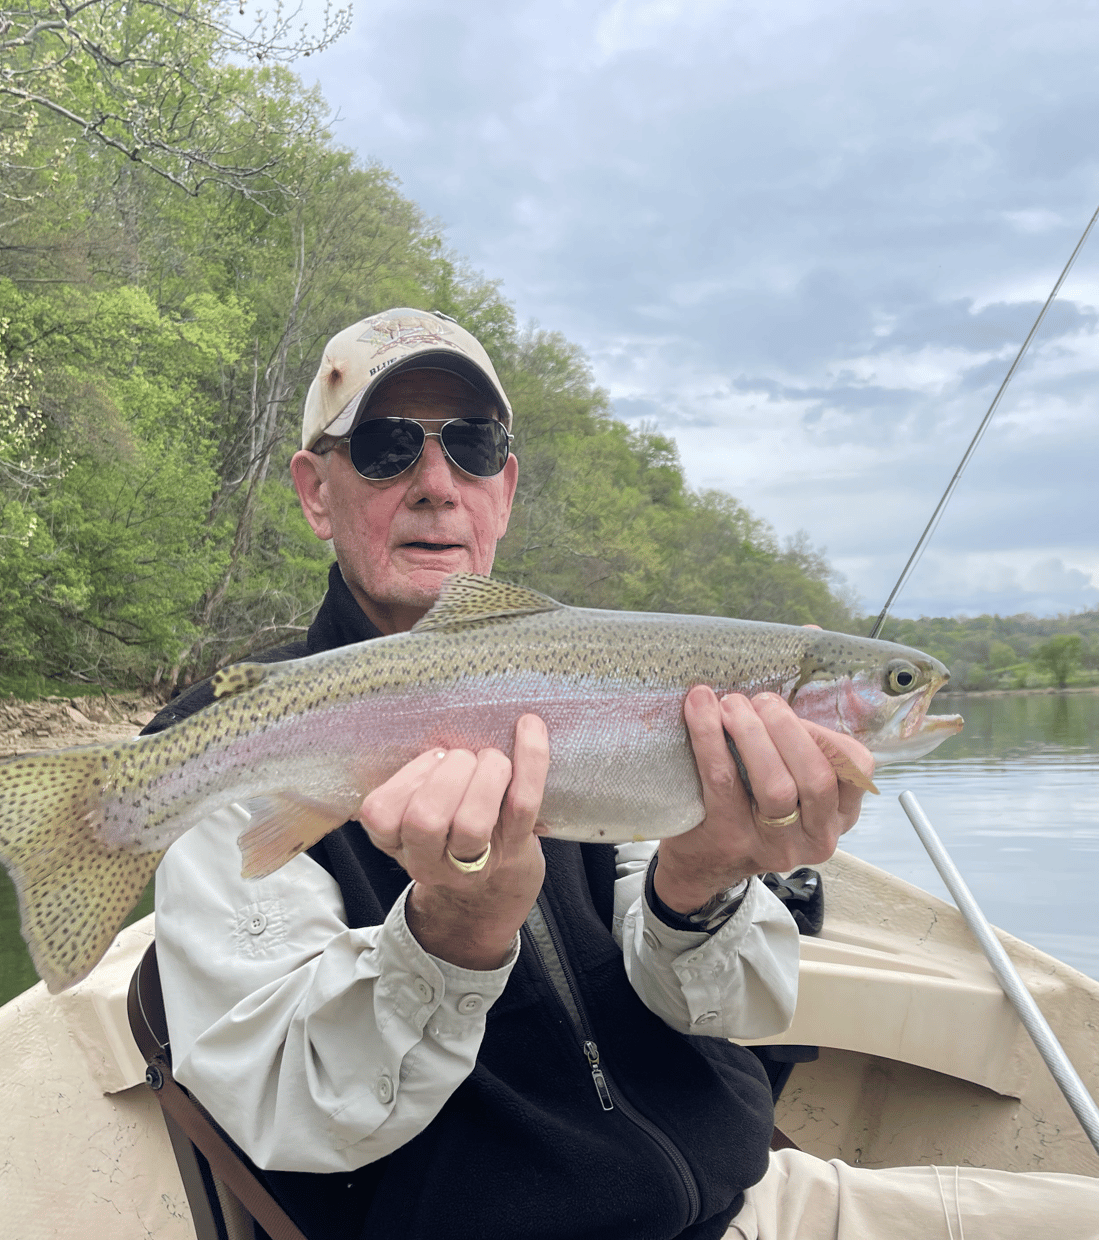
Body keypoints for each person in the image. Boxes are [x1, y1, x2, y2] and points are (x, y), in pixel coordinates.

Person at [151, 309, 1099, 1239]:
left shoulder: (618, 685)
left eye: (473, 446)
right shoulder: (222, 745)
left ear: (506, 487)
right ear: (317, 492)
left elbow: (733, 1011)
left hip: (753, 1200)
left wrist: (700, 883)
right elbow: (290, 1114)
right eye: (390, 446)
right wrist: (453, 936)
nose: (439, 482)